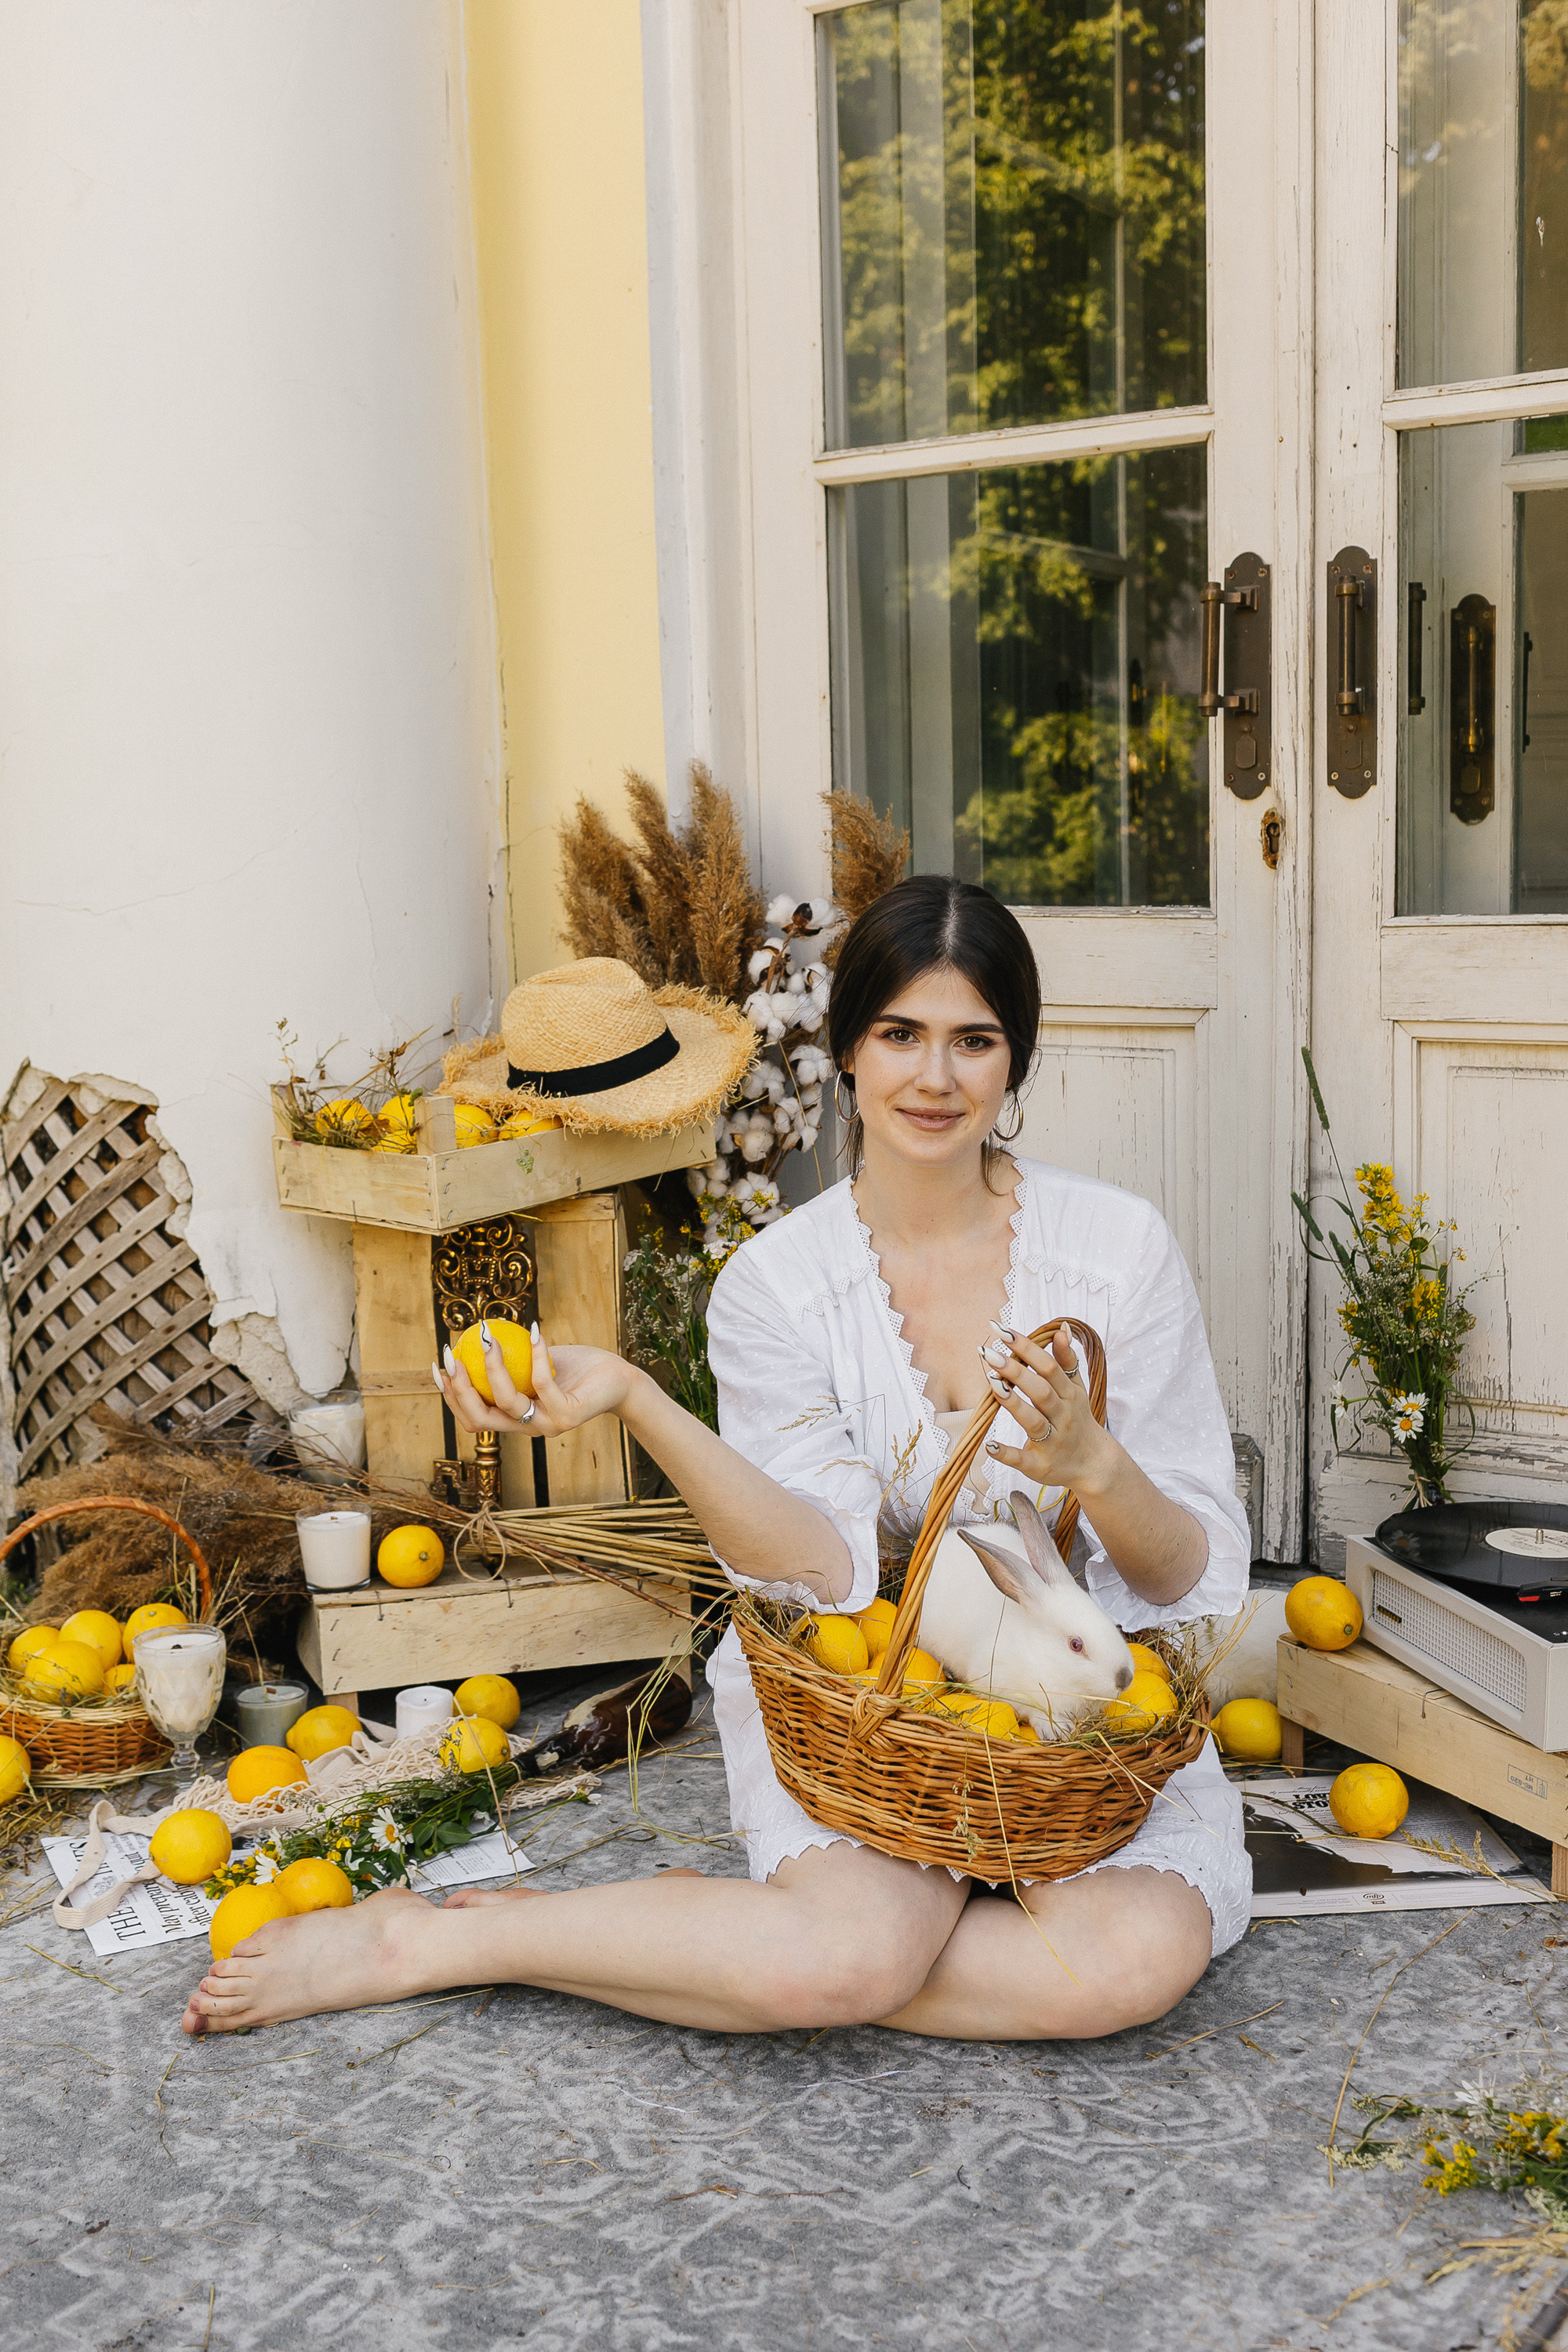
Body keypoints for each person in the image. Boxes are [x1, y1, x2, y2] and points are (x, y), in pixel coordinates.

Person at [183, 877, 1250, 2042]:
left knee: (1123, 1967)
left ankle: (733, 1945)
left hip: (1084, 1729)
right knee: (844, 1959)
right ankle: (442, 1938)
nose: (935, 1078)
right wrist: (635, 1398)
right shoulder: (779, 1287)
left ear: (1016, 1061)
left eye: (974, 1041)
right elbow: (824, 1576)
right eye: (899, 1034)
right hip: (860, 1716)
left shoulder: (1117, 1253)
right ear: (848, 1049)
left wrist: (1097, 1466)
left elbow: (1184, 1579)